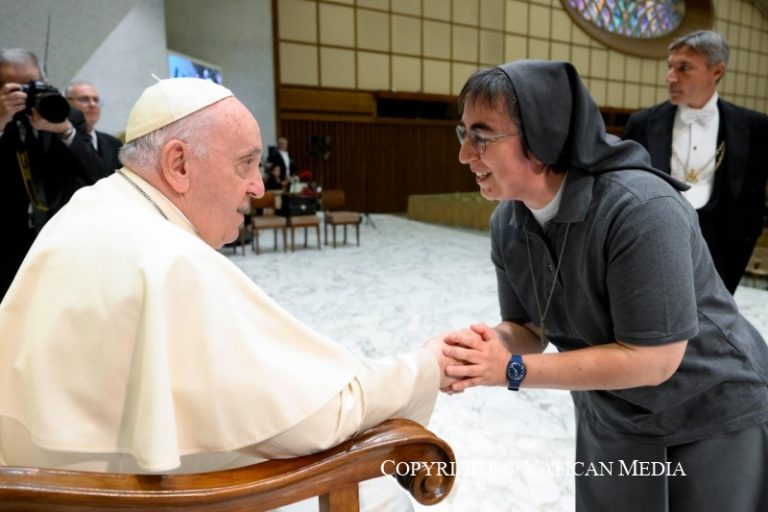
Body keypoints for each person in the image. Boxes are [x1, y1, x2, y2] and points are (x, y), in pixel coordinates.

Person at [0, 78, 456, 511]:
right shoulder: (169, 257)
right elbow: (316, 417)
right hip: (116, 497)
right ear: (179, 164)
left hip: (46, 488)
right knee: (379, 494)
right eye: (244, 163)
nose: (258, 186)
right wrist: (426, 366)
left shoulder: (90, 206)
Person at [442, 60, 768, 511]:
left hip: (709, 411)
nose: (464, 154)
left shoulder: (641, 209)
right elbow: (529, 328)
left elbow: (654, 360)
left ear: (541, 136)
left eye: (481, 137)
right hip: (612, 410)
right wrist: (484, 349)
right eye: (463, 134)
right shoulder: (508, 222)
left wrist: (512, 370)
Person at [623, 30, 768, 294]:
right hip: (657, 240)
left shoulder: (755, 127)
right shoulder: (641, 123)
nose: (670, 77)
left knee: (714, 313)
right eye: (670, 67)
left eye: (684, 68)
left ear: (717, 71)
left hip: (725, 246)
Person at [0, 48, 103, 301]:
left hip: (58, 237)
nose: (27, 95)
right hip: (6, 239)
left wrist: (66, 132)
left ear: (45, 80)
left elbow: (98, 175)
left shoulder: (66, 114)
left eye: (32, 85)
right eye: (17, 89)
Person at [66, 80, 123, 176]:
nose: (92, 104)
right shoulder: (57, 140)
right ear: (67, 103)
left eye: (96, 100)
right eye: (84, 99)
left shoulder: (114, 143)